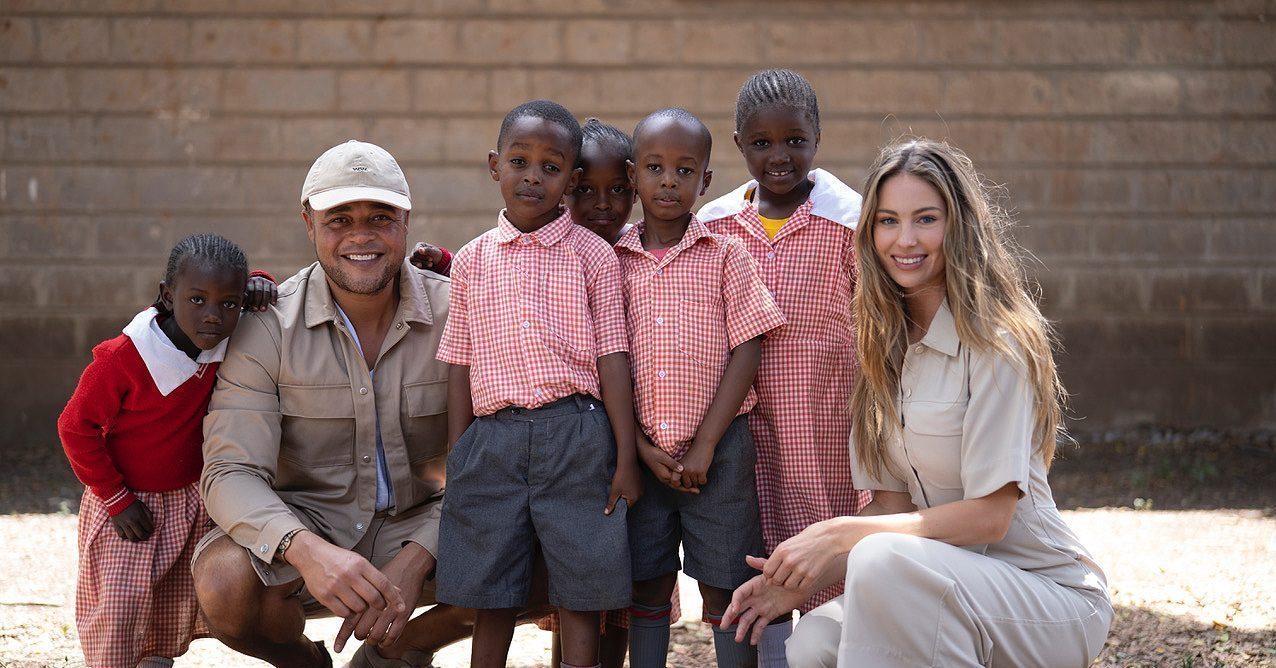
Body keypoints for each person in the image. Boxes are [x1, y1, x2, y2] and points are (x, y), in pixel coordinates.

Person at [722, 139, 1113, 667]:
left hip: (1043, 597)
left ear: (958, 226)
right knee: (813, 640)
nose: (905, 240)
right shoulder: (881, 346)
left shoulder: (998, 342)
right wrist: (798, 583)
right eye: (887, 221)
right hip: (937, 581)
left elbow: (991, 518)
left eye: (925, 219)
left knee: (882, 560)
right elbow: (891, 505)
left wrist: (839, 533)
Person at [193, 140, 465, 668]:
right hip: (314, 526)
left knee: (554, 551)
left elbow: (492, 456)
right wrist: (304, 548)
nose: (361, 236)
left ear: (405, 221)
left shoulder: (458, 310)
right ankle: (306, 664)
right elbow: (228, 471)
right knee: (225, 581)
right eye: (339, 218)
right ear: (309, 222)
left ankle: (403, 649)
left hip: (432, 524)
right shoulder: (268, 328)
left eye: (380, 217)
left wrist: (420, 555)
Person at [434, 99, 641, 668]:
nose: (533, 177)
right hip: (492, 439)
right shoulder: (474, 259)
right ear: (495, 165)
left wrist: (625, 458)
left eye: (551, 168)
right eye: (520, 162)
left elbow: (613, 359)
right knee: (490, 583)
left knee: (582, 581)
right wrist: (460, 450)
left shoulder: (592, 255)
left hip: (578, 433)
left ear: (570, 180)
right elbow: (459, 361)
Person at [697, 68, 869, 659]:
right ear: (739, 143)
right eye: (762, 143)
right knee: (753, 547)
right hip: (743, 429)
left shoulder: (849, 221)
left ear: (817, 138)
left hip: (827, 425)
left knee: (830, 546)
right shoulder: (716, 225)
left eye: (795, 140)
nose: (779, 156)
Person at [617, 108, 786, 668]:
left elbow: (748, 347)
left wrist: (707, 444)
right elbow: (602, 361)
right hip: (643, 453)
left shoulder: (725, 255)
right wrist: (640, 449)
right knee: (647, 581)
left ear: (706, 180)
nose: (669, 181)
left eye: (684, 170)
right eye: (655, 168)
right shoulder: (610, 261)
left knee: (725, 582)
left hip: (721, 452)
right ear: (632, 174)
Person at [57, 233, 274, 668]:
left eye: (229, 303)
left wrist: (262, 281)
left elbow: (253, 290)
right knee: (118, 607)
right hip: (127, 503)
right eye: (196, 299)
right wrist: (116, 499)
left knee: (168, 604)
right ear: (166, 295)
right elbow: (74, 426)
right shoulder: (126, 358)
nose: (212, 315)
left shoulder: (224, 344)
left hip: (188, 500)